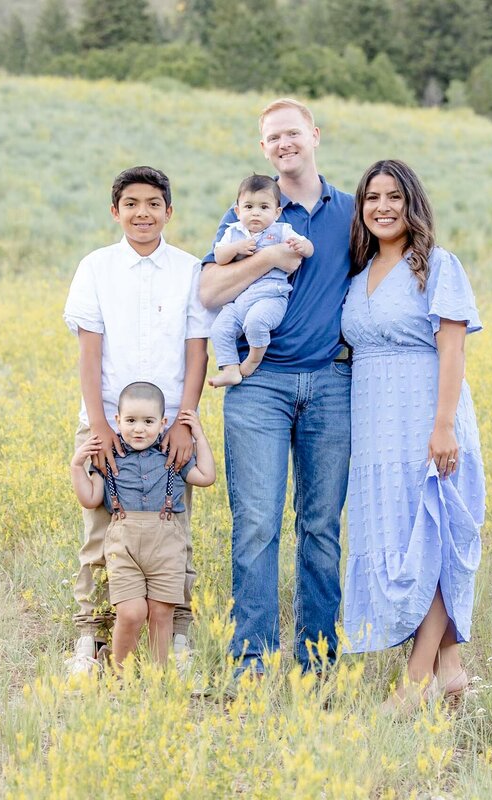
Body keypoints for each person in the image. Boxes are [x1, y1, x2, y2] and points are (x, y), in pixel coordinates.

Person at [199, 99, 354, 675]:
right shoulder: (252, 208)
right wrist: (268, 257)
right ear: (264, 148)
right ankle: (251, 662)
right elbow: (211, 292)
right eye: (273, 137)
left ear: (314, 135)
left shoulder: (352, 211)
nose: (284, 143)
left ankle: (318, 661)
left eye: (293, 132)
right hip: (258, 384)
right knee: (258, 522)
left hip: (332, 382)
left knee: (320, 525)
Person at [339, 159, 485, 710]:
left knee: (436, 534)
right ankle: (450, 668)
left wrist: (444, 426)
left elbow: (453, 347)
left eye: (393, 196)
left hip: (428, 417)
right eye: (371, 197)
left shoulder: (438, 267)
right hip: (377, 428)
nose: (382, 206)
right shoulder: (356, 279)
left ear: (411, 203)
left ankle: (416, 679)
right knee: (405, 541)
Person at [63, 166, 213, 675]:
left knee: (172, 528)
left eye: (153, 203)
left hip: (168, 426)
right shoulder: (96, 268)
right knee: (102, 528)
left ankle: (175, 636)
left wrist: (186, 422)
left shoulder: (191, 269)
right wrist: (101, 425)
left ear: (169, 211)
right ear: (115, 211)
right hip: (109, 421)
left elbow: (198, 351)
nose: (142, 212)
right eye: (131, 203)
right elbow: (90, 352)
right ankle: (91, 635)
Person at [70, 382, 216, 671]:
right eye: (131, 421)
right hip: (124, 548)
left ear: (163, 423)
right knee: (132, 611)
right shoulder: (110, 460)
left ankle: (156, 677)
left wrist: (197, 434)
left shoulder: (171, 455)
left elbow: (206, 476)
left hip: (166, 548)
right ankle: (120, 674)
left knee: (162, 612)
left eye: (148, 422)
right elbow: (90, 499)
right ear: (117, 421)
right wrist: (77, 465)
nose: (139, 429)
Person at [209, 174, 314, 388]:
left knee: (256, 323)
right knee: (219, 328)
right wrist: (236, 248)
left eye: (264, 207)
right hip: (239, 301)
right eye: (248, 207)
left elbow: (308, 247)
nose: (255, 213)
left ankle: (254, 359)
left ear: (277, 213)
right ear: (237, 211)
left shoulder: (281, 230)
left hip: (271, 295)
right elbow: (219, 256)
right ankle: (230, 369)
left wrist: (303, 247)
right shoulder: (233, 232)